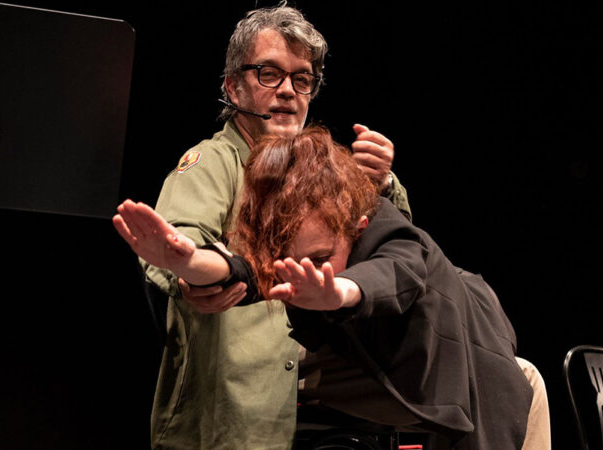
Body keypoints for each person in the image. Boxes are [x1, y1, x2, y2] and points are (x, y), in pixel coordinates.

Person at [115, 126, 537, 449]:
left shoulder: (391, 232)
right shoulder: (286, 223)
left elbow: (392, 274)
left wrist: (337, 292)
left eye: (320, 258)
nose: (306, 271)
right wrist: (187, 261)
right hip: (358, 358)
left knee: (526, 383)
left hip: (443, 350)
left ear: (357, 227)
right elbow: (243, 270)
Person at [141, 5, 410, 448]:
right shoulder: (214, 162)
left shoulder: (319, 167)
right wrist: (191, 273)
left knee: (487, 375)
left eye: (302, 79)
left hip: (324, 356)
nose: (287, 91)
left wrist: (382, 184)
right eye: (269, 74)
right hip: (245, 386)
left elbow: (398, 250)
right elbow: (175, 243)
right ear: (233, 86)